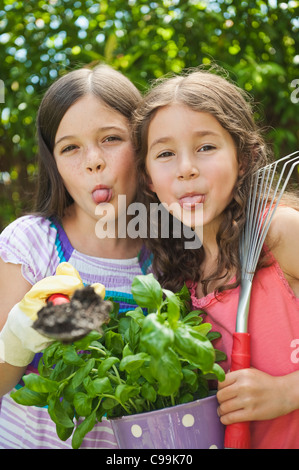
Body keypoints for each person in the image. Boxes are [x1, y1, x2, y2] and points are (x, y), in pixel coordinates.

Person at [132, 66, 299, 449]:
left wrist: (288, 392)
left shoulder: (277, 232)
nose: (186, 168)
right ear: (148, 180)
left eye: (206, 147)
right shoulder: (177, 278)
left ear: (243, 158)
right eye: (166, 154)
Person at [0, 64, 152, 449]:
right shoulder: (31, 243)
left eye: (112, 139)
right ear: (55, 164)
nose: (93, 161)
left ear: (143, 145)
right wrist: (19, 337)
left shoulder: (168, 257)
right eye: (70, 147)